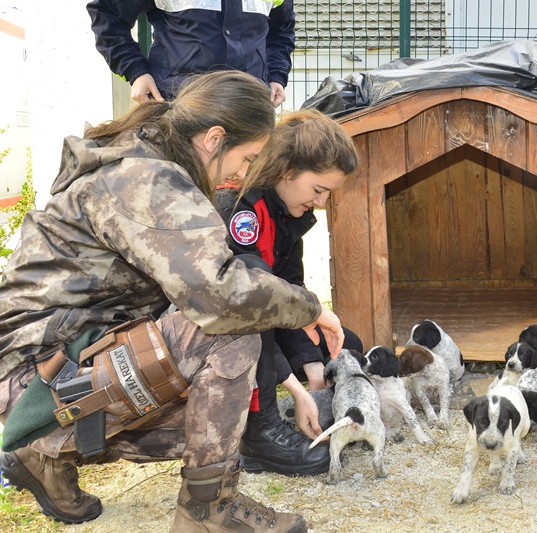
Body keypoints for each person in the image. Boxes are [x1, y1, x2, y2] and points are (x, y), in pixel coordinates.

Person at [0, 71, 338, 533]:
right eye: (247, 157)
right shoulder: (145, 178)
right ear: (214, 138)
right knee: (232, 332)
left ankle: (39, 456)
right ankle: (207, 515)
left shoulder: (148, 157)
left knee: (214, 418)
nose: (244, 173)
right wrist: (312, 308)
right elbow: (221, 295)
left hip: (58, 364)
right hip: (35, 380)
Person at [215, 109, 363, 476]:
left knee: (345, 349)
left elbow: (291, 290)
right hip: (222, 326)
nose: (321, 203)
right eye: (318, 190)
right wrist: (295, 389)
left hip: (259, 319)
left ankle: (314, 406)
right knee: (257, 279)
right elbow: (254, 302)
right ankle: (259, 430)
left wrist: (312, 370)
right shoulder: (240, 207)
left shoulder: (286, 212)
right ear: (286, 171)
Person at [87, 0, 295, 107]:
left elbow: (282, 29)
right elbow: (106, 12)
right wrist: (136, 71)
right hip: (178, 109)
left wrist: (276, 75)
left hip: (249, 109)